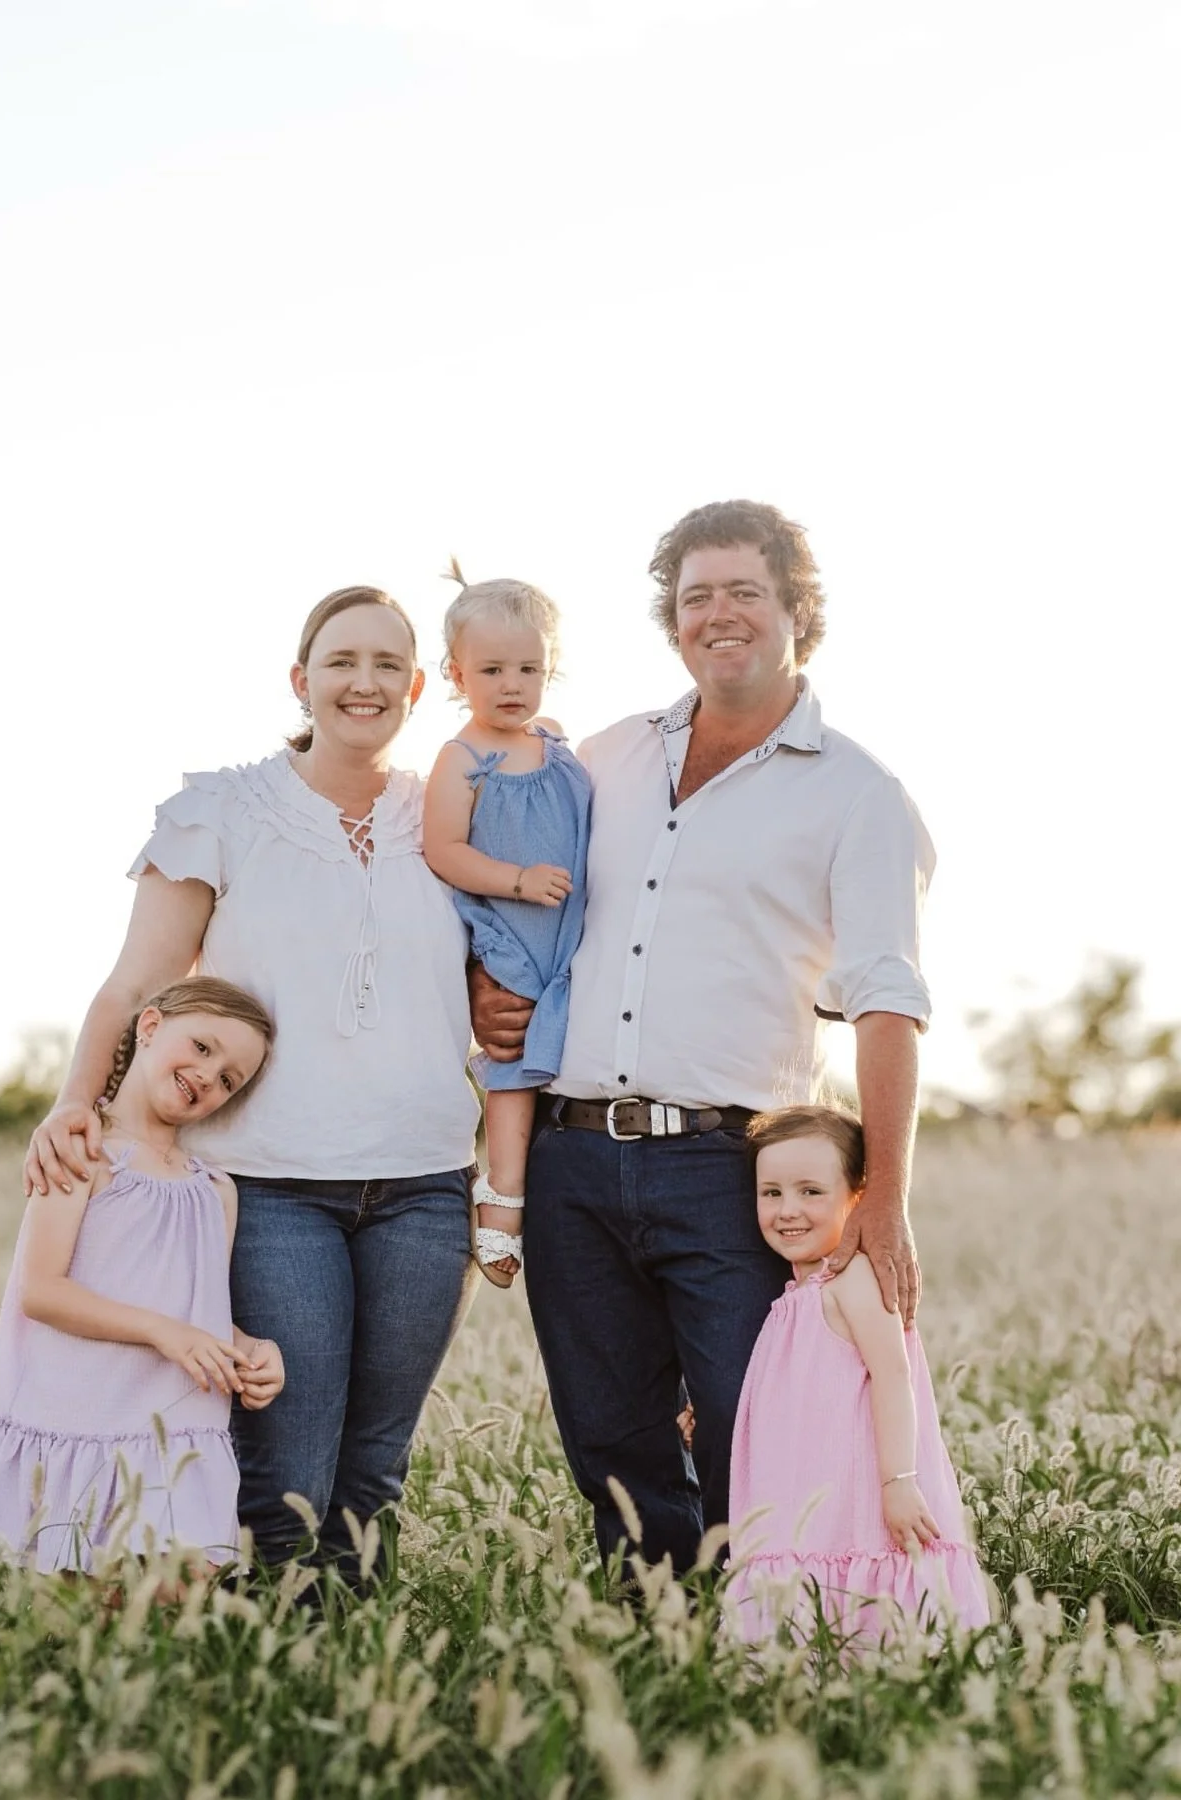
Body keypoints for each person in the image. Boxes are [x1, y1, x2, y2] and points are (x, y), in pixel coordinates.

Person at [471, 499, 936, 1573]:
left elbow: (888, 1002)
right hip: (573, 1152)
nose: (718, 614)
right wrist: (484, 989)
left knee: (748, 1417)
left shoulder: (859, 793)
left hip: (730, 1165)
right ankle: (658, 1632)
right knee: (608, 1432)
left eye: (745, 592)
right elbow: (521, 913)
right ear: (672, 619)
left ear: (796, 610)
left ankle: (759, 1627)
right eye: (696, 597)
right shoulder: (603, 758)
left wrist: (884, 1202)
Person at [22, 587, 478, 1583]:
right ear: (301, 680)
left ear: (417, 688)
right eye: (341, 661)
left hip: (428, 1185)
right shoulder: (221, 812)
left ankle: (349, 1658)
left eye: (387, 666)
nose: (364, 682)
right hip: (272, 1188)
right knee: (288, 1469)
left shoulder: (454, 814)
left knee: (374, 1469)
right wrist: (72, 1103)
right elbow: (134, 987)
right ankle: (262, 1653)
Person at [0, 977, 283, 1575]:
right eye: (202, 1047)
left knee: (179, 1594)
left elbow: (198, 1315)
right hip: (84, 1420)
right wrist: (163, 1332)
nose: (208, 1077)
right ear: (150, 1026)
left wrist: (250, 1350)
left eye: (229, 1079)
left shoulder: (215, 1191)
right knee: (91, 1606)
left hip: (175, 1431)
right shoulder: (82, 1152)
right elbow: (42, 1291)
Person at [723, 1104, 989, 1641]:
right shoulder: (793, 1295)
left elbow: (893, 1376)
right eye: (771, 1192)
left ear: (857, 1197)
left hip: (861, 1492)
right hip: (800, 1489)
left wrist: (899, 1481)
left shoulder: (855, 1277)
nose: (788, 1210)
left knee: (863, 1589)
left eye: (810, 1191)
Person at [422, 563, 590, 1287]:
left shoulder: (555, 740)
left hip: (574, 930)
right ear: (456, 673)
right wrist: (517, 880)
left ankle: (565, 1201)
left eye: (529, 668)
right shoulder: (462, 760)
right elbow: (444, 849)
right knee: (514, 1067)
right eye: (491, 670)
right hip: (514, 928)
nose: (512, 684)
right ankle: (502, 1196)